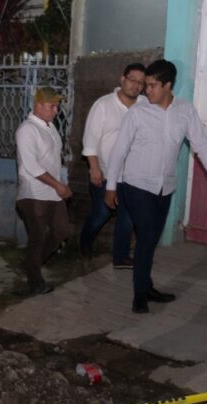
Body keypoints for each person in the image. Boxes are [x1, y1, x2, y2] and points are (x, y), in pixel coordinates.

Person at [104, 59, 207, 314]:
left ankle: (146, 286)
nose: (147, 91)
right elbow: (119, 151)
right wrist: (111, 186)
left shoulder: (186, 111)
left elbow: (201, 145)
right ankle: (139, 295)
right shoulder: (137, 112)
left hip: (165, 188)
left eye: (153, 86)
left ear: (169, 86)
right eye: (146, 86)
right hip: (136, 185)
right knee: (146, 238)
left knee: (150, 240)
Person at [79, 63, 146, 266]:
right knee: (102, 213)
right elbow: (90, 140)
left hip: (132, 174)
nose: (135, 85)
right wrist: (94, 168)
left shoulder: (145, 105)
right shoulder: (103, 105)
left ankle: (121, 256)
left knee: (128, 217)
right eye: (132, 79)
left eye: (141, 83)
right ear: (122, 79)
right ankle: (84, 243)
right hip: (106, 172)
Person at [14, 87, 73, 295]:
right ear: (38, 105)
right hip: (33, 193)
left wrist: (60, 184)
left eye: (57, 106)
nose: (56, 110)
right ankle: (35, 281)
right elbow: (32, 166)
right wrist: (58, 185)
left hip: (52, 192)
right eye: (52, 106)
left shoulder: (50, 128)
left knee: (61, 231)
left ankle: (31, 263)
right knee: (38, 236)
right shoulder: (27, 130)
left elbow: (53, 160)